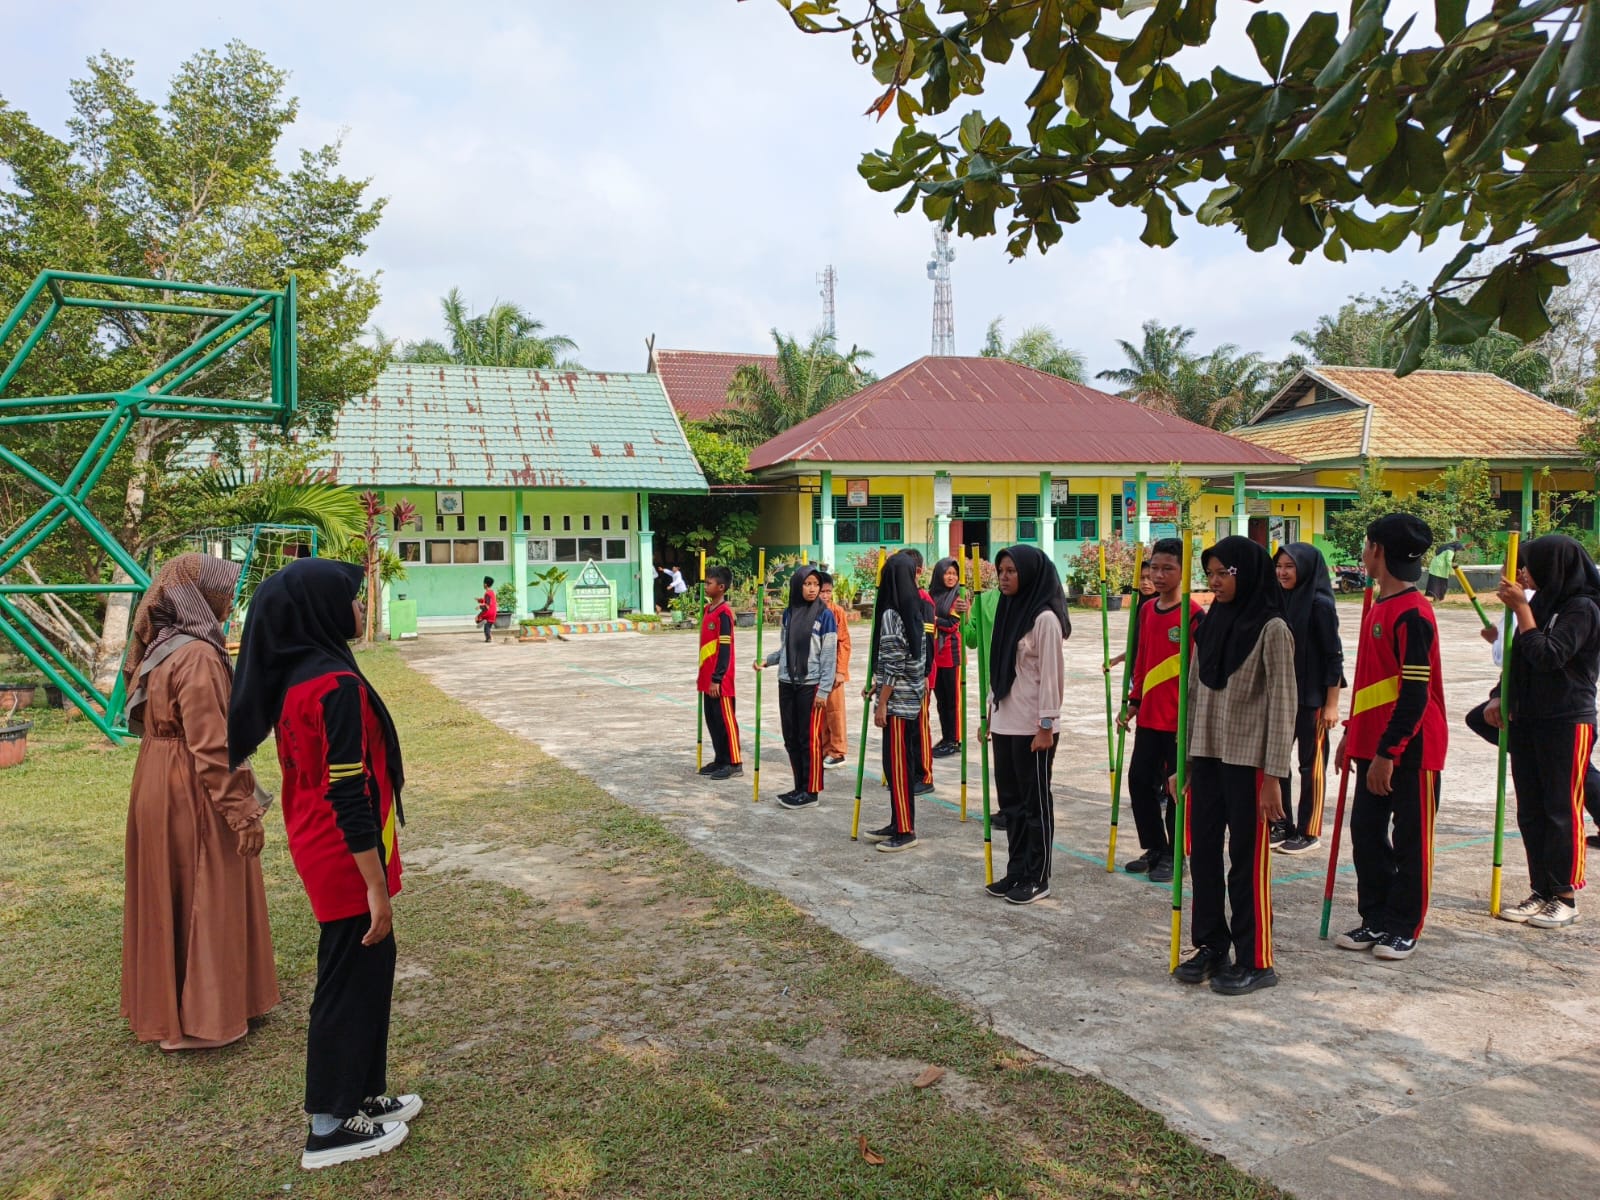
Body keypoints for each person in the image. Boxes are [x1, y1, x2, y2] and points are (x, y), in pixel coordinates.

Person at [228, 559, 421, 1171]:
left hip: (338, 847)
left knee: (370, 973)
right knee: (345, 981)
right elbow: (348, 792)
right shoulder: (331, 686)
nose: (361, 608)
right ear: (321, 610)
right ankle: (328, 1125)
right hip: (344, 855)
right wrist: (375, 888)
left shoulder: (306, 676)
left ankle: (361, 1095)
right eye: (353, 599)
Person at [120, 553, 279, 1052]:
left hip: (155, 776)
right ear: (198, 597)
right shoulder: (199, 656)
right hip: (189, 785)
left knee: (172, 889)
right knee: (202, 888)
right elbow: (211, 746)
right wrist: (242, 811)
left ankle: (177, 1008)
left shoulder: (161, 647)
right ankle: (199, 1021)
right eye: (221, 592)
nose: (229, 602)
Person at [1174, 536, 1295, 996]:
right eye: (1210, 574)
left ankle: (1255, 958)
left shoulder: (1272, 629)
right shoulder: (1209, 624)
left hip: (1250, 765)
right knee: (1203, 853)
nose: (1215, 582)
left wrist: (1275, 778)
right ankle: (1210, 944)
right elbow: (1192, 694)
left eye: (1223, 573)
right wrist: (1182, 760)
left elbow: (1284, 706)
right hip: (1206, 755)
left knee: (1246, 862)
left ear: (1244, 574)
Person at [1333, 514, 1449, 961]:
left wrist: (1388, 753)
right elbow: (1370, 683)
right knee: (1365, 831)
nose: (1363, 552)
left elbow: (1415, 696)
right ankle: (1375, 917)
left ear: (1377, 551)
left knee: (1411, 839)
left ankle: (1404, 926)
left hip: (1411, 748)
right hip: (1372, 743)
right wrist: (1352, 736)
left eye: (1366, 545)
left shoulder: (1414, 614)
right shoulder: (1379, 606)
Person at [1488, 534, 1600, 928]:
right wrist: (1497, 697)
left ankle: (1565, 895)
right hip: (1530, 718)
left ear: (1554, 566)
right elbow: (1518, 661)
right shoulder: (1543, 603)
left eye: (1530, 564)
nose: (1523, 573)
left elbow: (1550, 656)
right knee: (1531, 810)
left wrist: (1521, 609)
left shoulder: (1582, 608)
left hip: (1568, 719)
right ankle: (1542, 888)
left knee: (1560, 811)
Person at [984, 544, 1071, 903]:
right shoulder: (1008, 609)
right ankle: (1016, 870)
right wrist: (990, 715)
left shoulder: (1044, 620)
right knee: (1011, 805)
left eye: (1011, 571)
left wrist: (1046, 725)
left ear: (1030, 574)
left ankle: (1039, 875)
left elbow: (1051, 675)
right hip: (1006, 723)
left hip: (1034, 729)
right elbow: (1000, 668)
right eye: (1000, 571)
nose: (1003, 578)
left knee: (1035, 805)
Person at [1117, 538, 1202, 885]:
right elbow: (1142, 660)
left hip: (1179, 721)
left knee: (1176, 789)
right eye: (1155, 567)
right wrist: (1133, 702)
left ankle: (1175, 853)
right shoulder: (1147, 610)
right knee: (1139, 781)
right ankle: (1154, 847)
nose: (1160, 574)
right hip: (1150, 716)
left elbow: (1199, 675)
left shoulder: (1195, 615)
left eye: (1169, 568)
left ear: (1183, 571)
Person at [1271, 543, 1344, 856]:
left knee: (1310, 765)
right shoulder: (1278, 600)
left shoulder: (1319, 604)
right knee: (1277, 761)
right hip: (1283, 698)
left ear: (1306, 568)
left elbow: (1333, 657)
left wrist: (1332, 704)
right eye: (1279, 566)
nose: (1283, 572)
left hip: (1313, 699)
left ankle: (1309, 830)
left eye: (1290, 566)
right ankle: (1281, 822)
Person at [753, 565, 838, 810]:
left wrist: (823, 690)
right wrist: (767, 661)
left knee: (808, 739)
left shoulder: (825, 616)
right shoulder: (789, 613)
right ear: (797, 585)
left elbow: (828, 657)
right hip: (786, 682)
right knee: (790, 738)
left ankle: (811, 791)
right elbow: (785, 648)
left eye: (816, 584)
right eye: (807, 584)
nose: (813, 589)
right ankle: (799, 785)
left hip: (810, 686)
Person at [865, 552, 932, 852]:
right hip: (912, 698)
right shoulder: (916, 607)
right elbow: (913, 657)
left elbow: (893, 662)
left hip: (898, 704)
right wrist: (879, 684)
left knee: (898, 767)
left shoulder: (891, 614)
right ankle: (897, 821)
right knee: (896, 766)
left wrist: (882, 702)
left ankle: (905, 830)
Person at [697, 565, 742, 780]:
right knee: (712, 720)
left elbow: (725, 648)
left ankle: (734, 762)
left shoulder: (724, 614)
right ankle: (720, 758)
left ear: (721, 587)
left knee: (725, 720)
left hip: (720, 679)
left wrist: (717, 678)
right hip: (706, 677)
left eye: (709, 583)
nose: (706, 586)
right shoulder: (708, 610)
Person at [929, 557, 969, 757]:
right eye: (947, 573)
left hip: (951, 654)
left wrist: (933, 619)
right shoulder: (932, 595)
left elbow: (952, 624)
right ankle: (946, 737)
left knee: (952, 701)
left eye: (954, 573)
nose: (951, 577)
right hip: (935, 654)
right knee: (941, 700)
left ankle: (955, 740)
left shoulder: (958, 596)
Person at [817, 571, 852, 768]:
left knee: (835, 712)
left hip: (834, 672)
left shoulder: (837, 612)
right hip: (817, 672)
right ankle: (824, 747)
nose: (825, 595)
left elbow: (845, 643)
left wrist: (840, 670)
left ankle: (838, 751)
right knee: (820, 712)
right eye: (822, 591)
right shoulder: (810, 611)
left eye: (828, 591)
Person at [475, 576, 497, 642]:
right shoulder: (492, 592)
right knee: (487, 627)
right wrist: (480, 600)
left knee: (477, 618)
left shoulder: (487, 593)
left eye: (483, 583)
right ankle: (488, 638)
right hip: (493, 612)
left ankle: (482, 620)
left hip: (488, 611)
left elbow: (487, 605)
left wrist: (480, 607)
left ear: (485, 584)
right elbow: (489, 601)